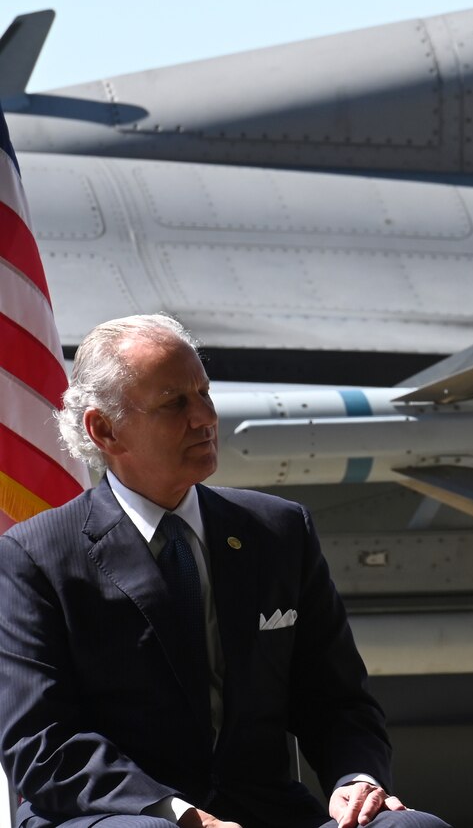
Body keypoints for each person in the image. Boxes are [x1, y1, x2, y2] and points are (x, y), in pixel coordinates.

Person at [0, 314, 444, 828]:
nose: (204, 418)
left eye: (204, 394)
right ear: (103, 429)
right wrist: (182, 815)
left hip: (265, 812)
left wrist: (356, 781)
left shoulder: (278, 530)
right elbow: (42, 744)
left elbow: (338, 701)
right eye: (175, 404)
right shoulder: (35, 557)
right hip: (121, 814)